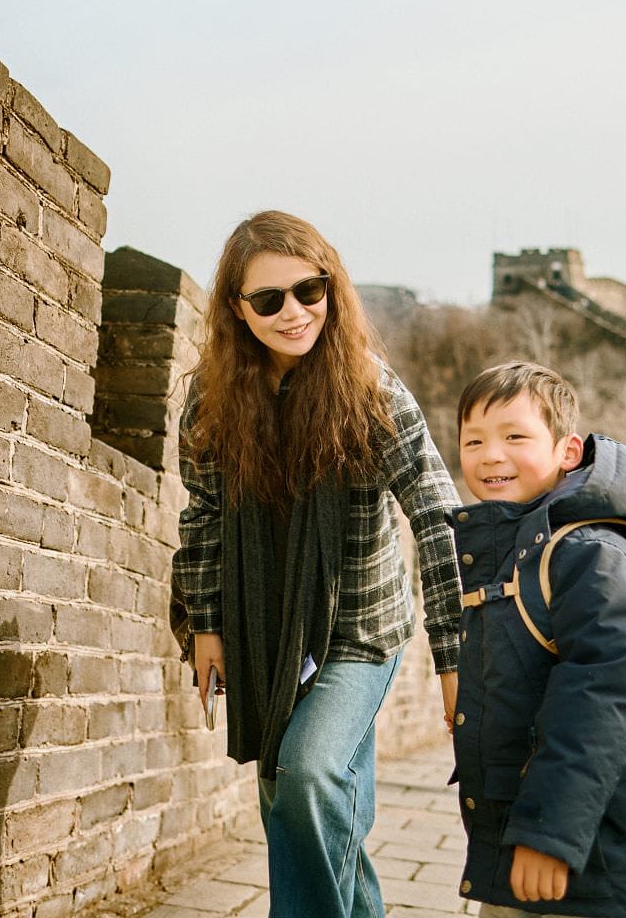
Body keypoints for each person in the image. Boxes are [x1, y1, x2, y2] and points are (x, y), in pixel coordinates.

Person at [172, 211, 463, 918]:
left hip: (362, 626)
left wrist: (460, 660)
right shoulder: (212, 401)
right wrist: (205, 624)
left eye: (310, 289)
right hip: (268, 628)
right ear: (236, 310)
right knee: (316, 800)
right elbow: (204, 516)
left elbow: (439, 520)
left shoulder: (371, 392)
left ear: (331, 287)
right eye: (268, 300)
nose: (294, 312)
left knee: (302, 773)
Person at [450, 361, 626, 917]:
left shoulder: (591, 553)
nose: (491, 454)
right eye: (474, 439)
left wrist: (547, 834)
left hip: (599, 853)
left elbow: (600, 698)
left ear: (567, 451)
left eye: (515, 436)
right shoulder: (516, 548)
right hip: (538, 843)